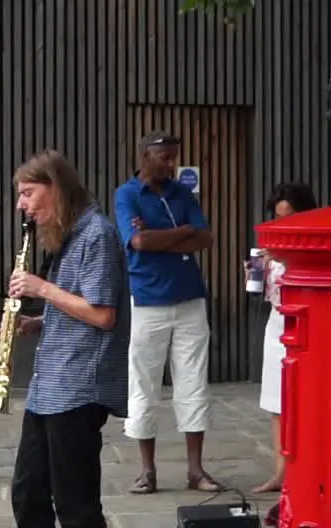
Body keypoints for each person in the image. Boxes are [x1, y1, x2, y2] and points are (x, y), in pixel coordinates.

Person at [4, 150, 130, 528]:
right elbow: (78, 306)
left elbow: (103, 315)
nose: (21, 204)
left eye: (28, 193)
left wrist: (42, 288)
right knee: (28, 494)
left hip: (79, 388)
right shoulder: (70, 236)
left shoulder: (97, 235)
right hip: (51, 386)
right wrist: (38, 322)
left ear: (54, 187)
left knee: (76, 505)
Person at [113, 131, 221, 494]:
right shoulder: (127, 194)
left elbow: (205, 238)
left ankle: (196, 470)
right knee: (144, 383)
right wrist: (182, 232)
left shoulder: (182, 193)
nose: (172, 164)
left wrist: (165, 235)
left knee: (194, 383)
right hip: (147, 300)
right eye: (165, 157)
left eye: (174, 157)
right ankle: (147, 470)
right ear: (145, 155)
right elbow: (138, 242)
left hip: (191, 299)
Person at [248, 182, 317, 495]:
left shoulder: (311, 246)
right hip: (277, 322)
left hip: (305, 323)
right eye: (277, 218)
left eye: (289, 217)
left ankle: (306, 470)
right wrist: (254, 272)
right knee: (276, 403)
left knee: (303, 402)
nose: (282, 224)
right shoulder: (271, 249)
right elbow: (267, 293)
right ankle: (280, 473)